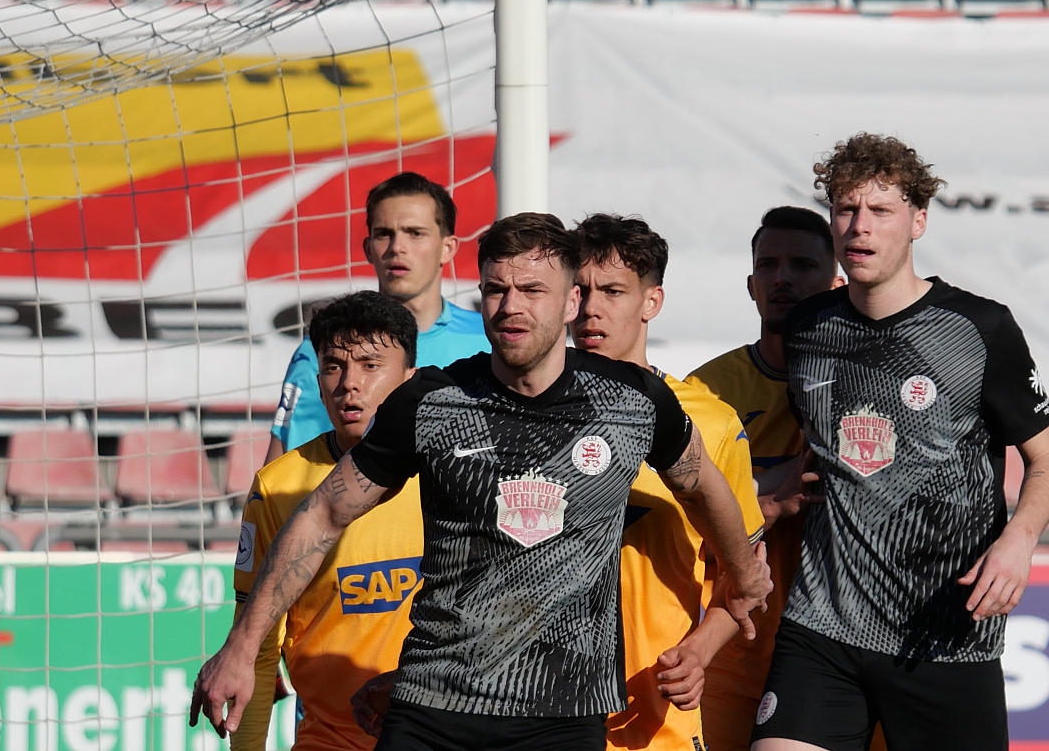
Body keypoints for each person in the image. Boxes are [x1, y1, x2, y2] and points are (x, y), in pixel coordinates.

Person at [193, 212, 772, 751]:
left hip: (565, 714)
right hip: (433, 706)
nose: (510, 307)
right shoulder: (432, 402)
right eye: (496, 290)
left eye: (531, 290)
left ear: (572, 301)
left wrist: (744, 575)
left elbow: (703, 486)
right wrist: (243, 646)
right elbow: (323, 513)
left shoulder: (633, 401)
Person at [750, 133, 1049, 751]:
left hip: (944, 631)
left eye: (880, 211)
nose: (859, 227)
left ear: (918, 221)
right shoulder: (810, 328)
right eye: (845, 210)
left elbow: (1048, 460)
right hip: (823, 625)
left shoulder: (979, 328)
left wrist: (1019, 542)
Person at [568, 213, 767, 751]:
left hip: (653, 720)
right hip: (536, 716)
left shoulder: (710, 420)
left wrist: (699, 653)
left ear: (651, 302)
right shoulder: (523, 410)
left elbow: (747, 578)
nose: (591, 308)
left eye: (612, 291)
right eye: (579, 290)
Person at [229, 291, 421, 751]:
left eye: (371, 365)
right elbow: (255, 649)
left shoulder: (445, 470)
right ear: (317, 381)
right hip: (329, 740)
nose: (349, 384)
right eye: (334, 366)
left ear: (409, 379)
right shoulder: (279, 486)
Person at [685, 206, 842, 751]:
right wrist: (771, 501)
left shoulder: (863, 383)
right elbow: (679, 519)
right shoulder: (707, 391)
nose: (783, 278)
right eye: (769, 264)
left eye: (802, 264)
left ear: (836, 280)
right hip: (734, 649)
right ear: (751, 284)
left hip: (843, 651)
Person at [265, 172, 491, 464]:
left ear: (448, 248)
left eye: (415, 233)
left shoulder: (486, 341)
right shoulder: (320, 352)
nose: (397, 247)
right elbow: (278, 480)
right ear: (368, 248)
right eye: (385, 234)